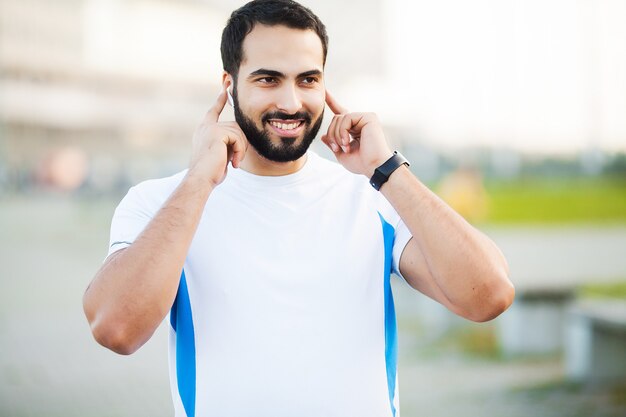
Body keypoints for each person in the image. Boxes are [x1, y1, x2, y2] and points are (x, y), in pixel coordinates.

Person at [83, 1, 515, 416]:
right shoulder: (164, 202)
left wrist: (386, 170)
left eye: (308, 80)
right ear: (229, 86)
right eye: (268, 79)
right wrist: (200, 179)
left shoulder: (371, 197)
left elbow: (489, 295)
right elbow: (116, 328)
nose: (291, 103)